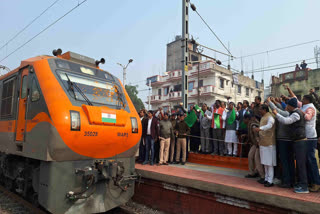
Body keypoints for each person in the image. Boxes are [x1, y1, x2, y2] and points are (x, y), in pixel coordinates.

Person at [273, 98, 309, 193]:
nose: (286, 106)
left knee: (301, 165)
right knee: (298, 164)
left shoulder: (296, 114)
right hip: (297, 141)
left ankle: (304, 187)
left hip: (300, 141)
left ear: (291, 106)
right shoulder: (295, 112)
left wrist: (276, 114)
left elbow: (286, 121)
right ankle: (300, 183)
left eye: (287, 105)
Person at [267, 97, 295, 188]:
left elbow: (277, 110)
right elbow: (279, 107)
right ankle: (291, 180)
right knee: (289, 161)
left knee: (285, 161)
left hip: (283, 140)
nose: (286, 106)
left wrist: (270, 102)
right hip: (288, 140)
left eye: (287, 105)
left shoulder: (287, 113)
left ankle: (287, 181)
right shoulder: (289, 113)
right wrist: (274, 102)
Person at [300, 95, 320, 192]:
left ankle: (316, 182)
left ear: (307, 100)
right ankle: (311, 181)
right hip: (306, 136)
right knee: (308, 160)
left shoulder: (310, 108)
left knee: (311, 160)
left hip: (310, 137)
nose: (302, 100)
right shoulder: (305, 106)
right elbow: (296, 102)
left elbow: (307, 117)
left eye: (303, 99)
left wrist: (300, 112)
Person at [254, 104, 276, 187]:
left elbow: (270, 125)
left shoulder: (270, 117)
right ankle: (266, 179)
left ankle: (270, 181)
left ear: (265, 110)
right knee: (265, 162)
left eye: (260, 109)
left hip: (269, 142)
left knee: (269, 163)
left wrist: (260, 129)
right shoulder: (263, 117)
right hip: (263, 142)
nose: (259, 111)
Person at [244, 114, 265, 180]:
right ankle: (252, 172)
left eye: (244, 119)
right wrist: (247, 141)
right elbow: (251, 135)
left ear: (247, 119)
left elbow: (256, 135)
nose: (243, 121)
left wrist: (258, 143)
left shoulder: (253, 124)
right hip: (255, 144)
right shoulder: (251, 124)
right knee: (250, 156)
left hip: (258, 144)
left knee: (257, 159)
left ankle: (262, 175)